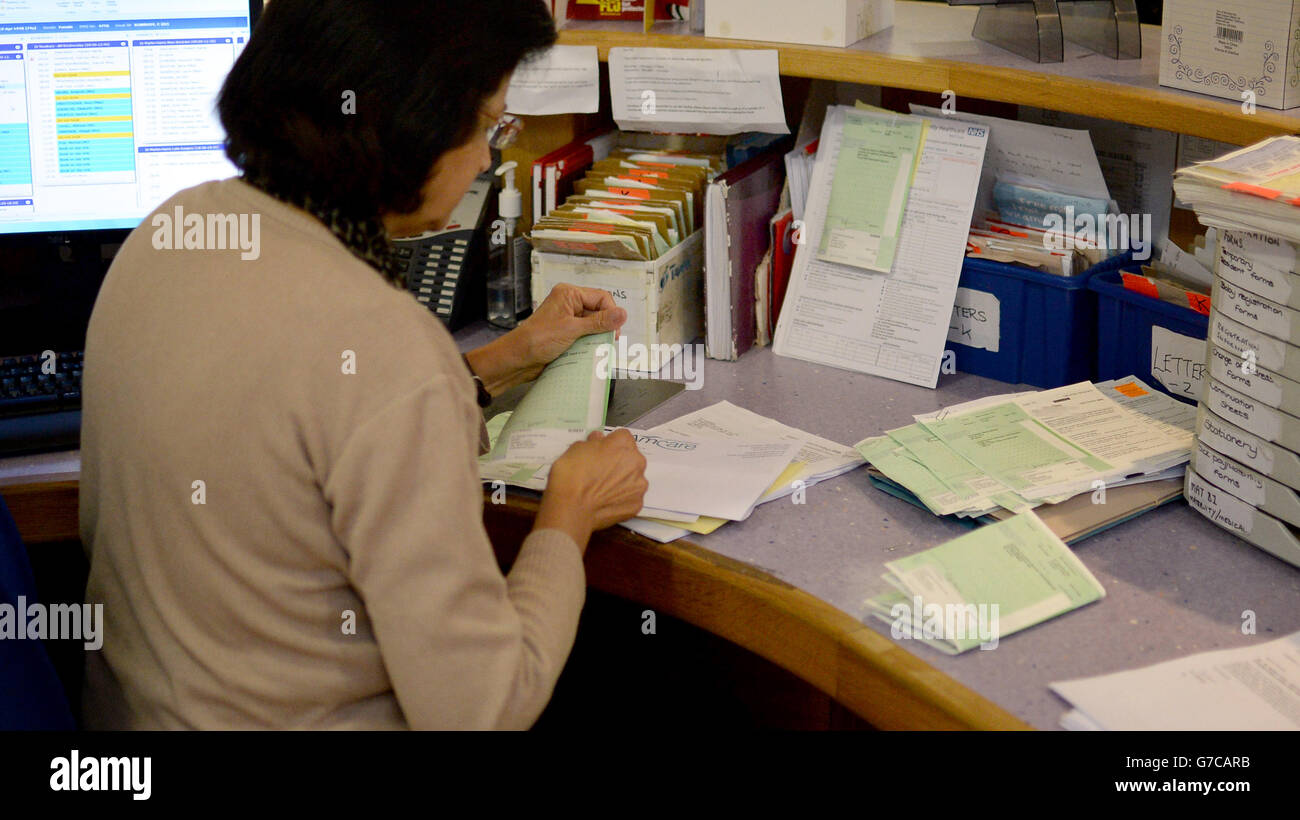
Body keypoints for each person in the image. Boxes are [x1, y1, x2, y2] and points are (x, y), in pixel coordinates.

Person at [79, 0, 648, 730]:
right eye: (484, 125)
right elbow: (486, 706)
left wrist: (503, 360)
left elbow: (312, 421)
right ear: (407, 130)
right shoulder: (388, 352)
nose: (486, 158)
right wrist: (571, 513)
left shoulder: (170, 231)